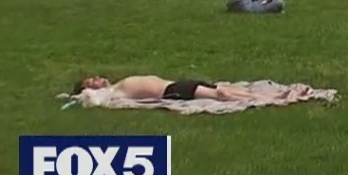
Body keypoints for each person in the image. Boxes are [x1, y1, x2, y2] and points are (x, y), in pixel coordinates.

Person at [72, 75, 252, 102]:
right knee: (220, 93)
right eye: (92, 82)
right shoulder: (112, 94)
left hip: (177, 84)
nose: (97, 79)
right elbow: (89, 98)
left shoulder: (117, 85)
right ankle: (256, 99)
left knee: (222, 89)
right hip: (171, 91)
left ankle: (257, 96)